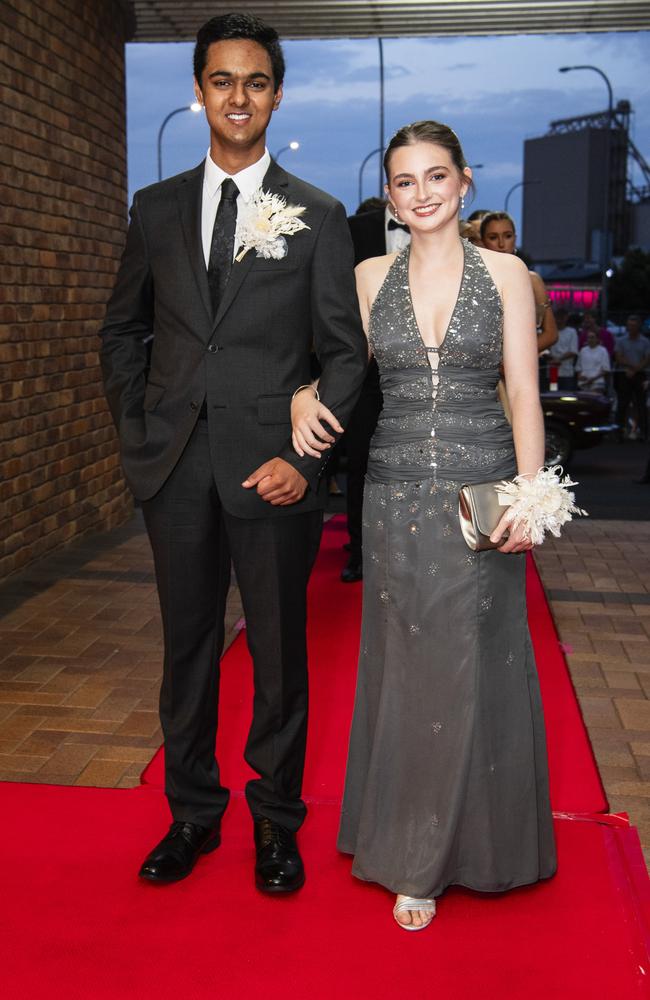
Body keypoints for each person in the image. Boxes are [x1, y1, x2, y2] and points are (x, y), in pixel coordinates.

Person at [100, 12, 366, 892]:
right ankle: (191, 817)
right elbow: (124, 330)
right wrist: (139, 426)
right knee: (186, 653)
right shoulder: (156, 206)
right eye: (222, 80)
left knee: (281, 659)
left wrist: (310, 458)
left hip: (274, 474)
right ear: (200, 91)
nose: (239, 96)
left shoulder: (319, 217)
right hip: (173, 468)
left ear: (276, 94)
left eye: (256, 82)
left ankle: (276, 826)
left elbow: (343, 355)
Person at [292, 120, 556, 930]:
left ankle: (485, 841)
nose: (422, 194)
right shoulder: (369, 276)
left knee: (481, 661)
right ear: (390, 196)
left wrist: (530, 493)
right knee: (409, 669)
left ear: (465, 181)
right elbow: (335, 368)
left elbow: (521, 391)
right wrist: (305, 394)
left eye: (436, 177)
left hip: (483, 494)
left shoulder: (508, 273)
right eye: (405, 182)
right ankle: (413, 850)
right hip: (397, 496)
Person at [338, 199, 411, 583]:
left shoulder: (441, 225)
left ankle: (411, 553)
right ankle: (361, 553)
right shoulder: (354, 229)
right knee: (361, 466)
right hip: (364, 377)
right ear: (388, 187)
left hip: (422, 376)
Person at [480, 211, 558, 354]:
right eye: (493, 237)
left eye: (508, 236)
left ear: (515, 239)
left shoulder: (532, 280)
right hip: (481, 371)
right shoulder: (474, 281)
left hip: (521, 368)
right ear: (483, 241)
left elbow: (551, 334)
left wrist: (514, 360)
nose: (501, 244)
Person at [614, 315, 650, 440]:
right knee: (622, 404)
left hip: (639, 375)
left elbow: (647, 359)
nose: (631, 328)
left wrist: (635, 369)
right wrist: (631, 366)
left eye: (634, 326)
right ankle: (619, 432)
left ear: (639, 327)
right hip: (624, 374)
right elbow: (618, 357)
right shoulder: (621, 340)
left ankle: (644, 433)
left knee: (641, 405)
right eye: (629, 325)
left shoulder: (645, 341)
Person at [548, 307, 579, 390]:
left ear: (566, 318)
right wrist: (552, 358)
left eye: (562, 317)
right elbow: (546, 350)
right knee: (553, 394)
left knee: (566, 395)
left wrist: (559, 359)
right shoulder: (550, 331)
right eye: (557, 317)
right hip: (552, 371)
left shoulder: (572, 332)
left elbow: (573, 351)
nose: (559, 320)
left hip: (566, 372)